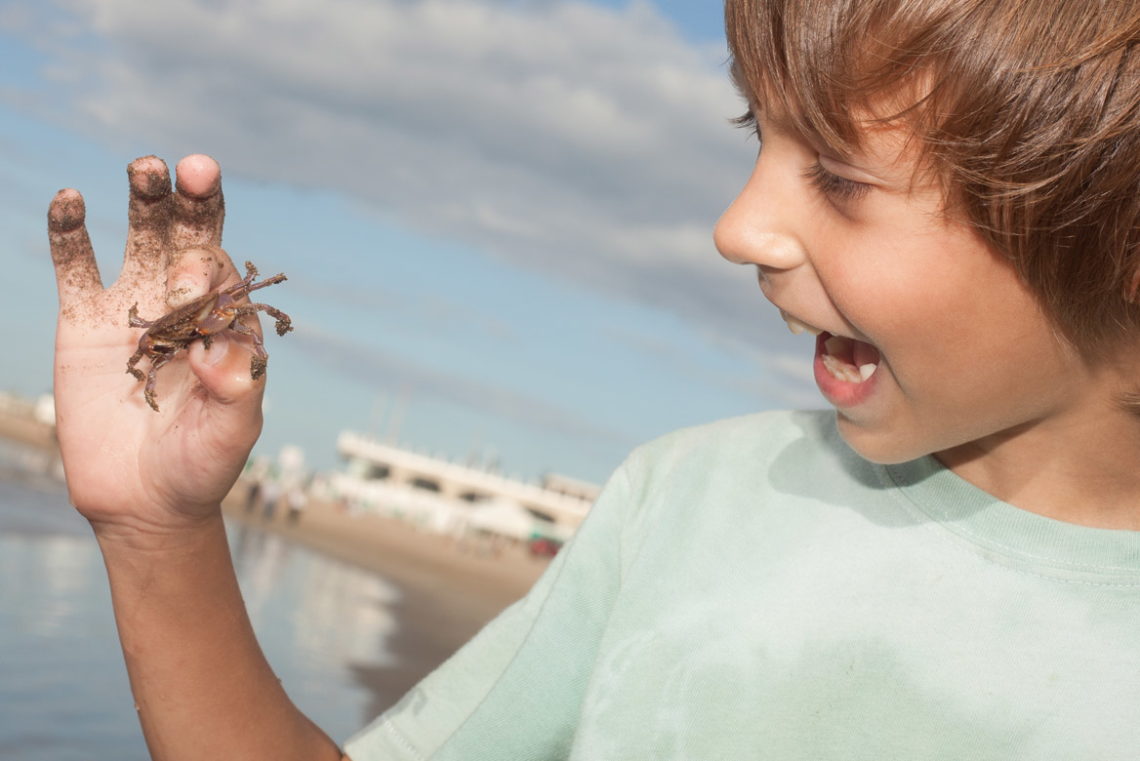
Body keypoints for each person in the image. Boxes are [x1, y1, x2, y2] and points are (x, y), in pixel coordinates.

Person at [45, 0, 1140, 758]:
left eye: (842, 180)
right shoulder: (693, 496)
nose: (738, 226)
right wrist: (156, 533)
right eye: (756, 133)